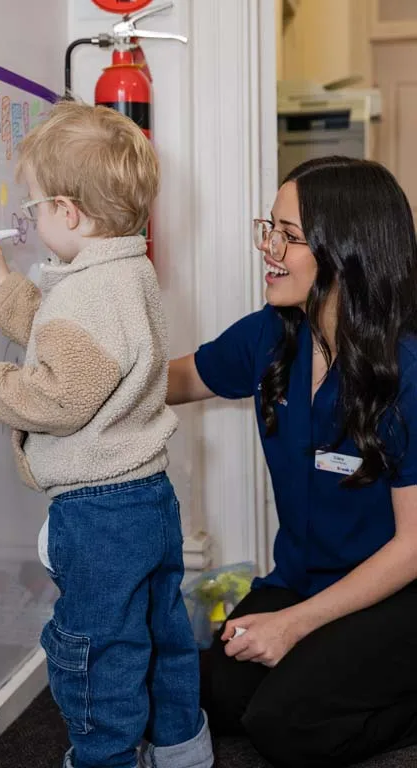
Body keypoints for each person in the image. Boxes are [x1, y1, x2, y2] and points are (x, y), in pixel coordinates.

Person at [0, 101, 213, 768]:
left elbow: (58, 394)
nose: (33, 220)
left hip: (98, 510)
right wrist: (1, 283)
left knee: (96, 649)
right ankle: (181, 747)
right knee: (159, 632)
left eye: (37, 206)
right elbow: (74, 346)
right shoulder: (126, 273)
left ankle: (105, 758)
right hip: (147, 495)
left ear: (68, 214)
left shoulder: (86, 295)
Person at [168, 156, 417, 768]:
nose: (269, 248)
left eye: (289, 235)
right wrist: (78, 375)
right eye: (268, 227)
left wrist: (297, 626)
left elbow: (414, 546)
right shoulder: (273, 335)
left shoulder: (407, 368)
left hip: (397, 595)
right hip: (303, 581)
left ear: (347, 250)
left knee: (286, 725)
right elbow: (177, 378)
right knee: (205, 696)